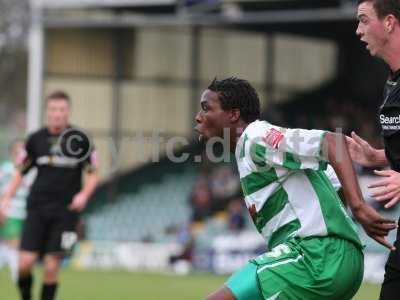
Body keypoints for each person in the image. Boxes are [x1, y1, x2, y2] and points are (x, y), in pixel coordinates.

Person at [194, 77, 396, 300]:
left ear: (233, 114)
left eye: (206, 108)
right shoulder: (258, 155)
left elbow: (333, 143)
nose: (198, 117)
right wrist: (340, 229)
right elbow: (333, 180)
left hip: (315, 257)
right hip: (341, 260)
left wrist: (358, 207)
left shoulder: (255, 137)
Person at [0, 90, 99, 300]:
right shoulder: (35, 139)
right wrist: (6, 198)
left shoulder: (80, 140)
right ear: (48, 112)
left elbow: (93, 175)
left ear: (68, 111)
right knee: (24, 263)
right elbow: (20, 172)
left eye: (61, 109)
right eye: (53, 109)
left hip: (66, 213)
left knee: (52, 266)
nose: (57, 114)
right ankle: (26, 295)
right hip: (37, 208)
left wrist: (83, 195)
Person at [347, 1, 400, 299]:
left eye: (364, 21)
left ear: (389, 22)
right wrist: (378, 156)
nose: (358, 30)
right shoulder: (392, 84)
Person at [0, 140, 34, 281]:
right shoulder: (6, 168)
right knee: (13, 242)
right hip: (11, 210)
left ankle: (17, 271)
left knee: (11, 244)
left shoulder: (31, 170)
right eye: (18, 149)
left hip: (25, 212)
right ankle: (17, 273)